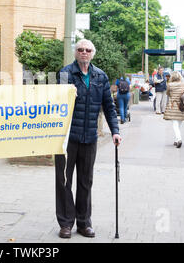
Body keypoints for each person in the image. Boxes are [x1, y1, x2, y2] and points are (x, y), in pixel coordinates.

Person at [56, 39, 121, 239]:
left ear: (93, 53)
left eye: (88, 50)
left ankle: (84, 223)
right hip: (66, 139)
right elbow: (56, 102)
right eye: (80, 50)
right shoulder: (65, 74)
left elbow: (109, 107)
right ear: (75, 53)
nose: (84, 52)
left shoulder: (100, 76)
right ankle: (66, 223)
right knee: (64, 181)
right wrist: (67, 95)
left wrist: (115, 131)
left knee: (85, 182)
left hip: (89, 137)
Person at [163, 71, 184, 148]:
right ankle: (176, 140)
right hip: (182, 106)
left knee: (175, 124)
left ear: (172, 77)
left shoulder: (170, 85)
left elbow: (167, 94)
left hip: (173, 106)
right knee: (178, 124)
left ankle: (179, 139)